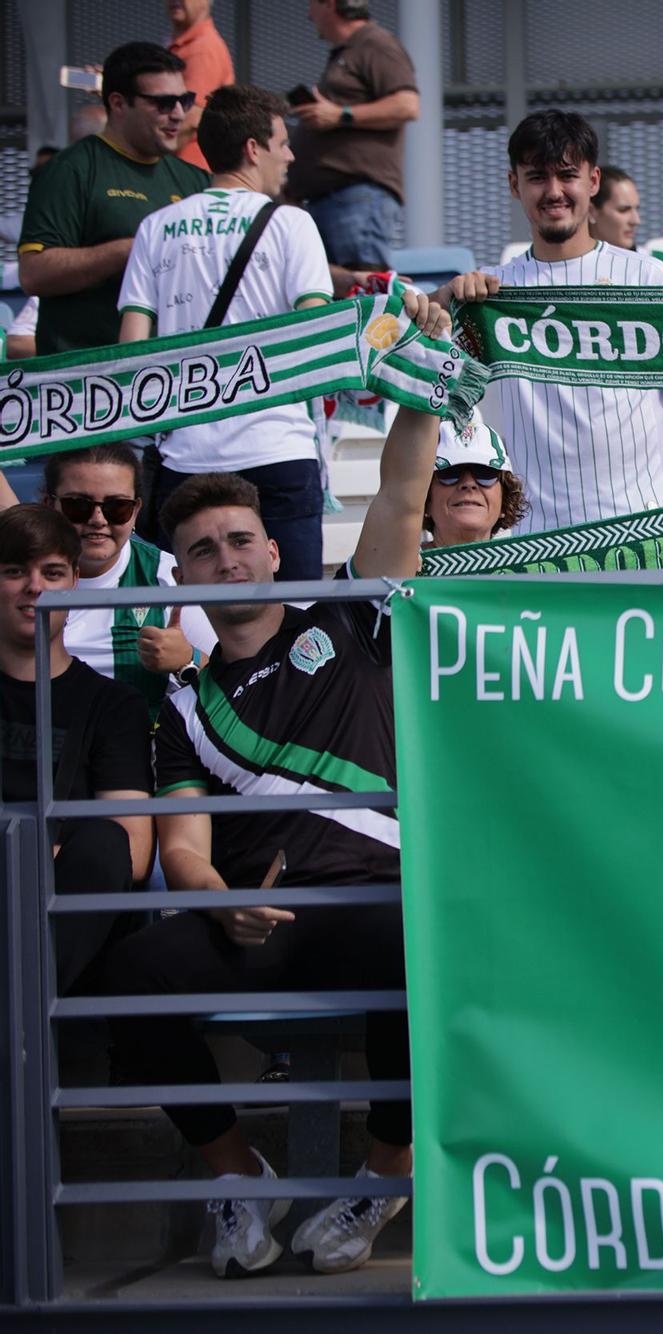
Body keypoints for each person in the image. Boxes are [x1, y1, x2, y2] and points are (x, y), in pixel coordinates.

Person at [90, 288, 455, 1279]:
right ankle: (234, 1174)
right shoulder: (179, 708)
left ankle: (381, 1174)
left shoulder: (346, 623)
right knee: (130, 978)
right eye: (203, 548)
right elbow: (184, 850)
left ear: (275, 547)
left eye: (240, 538)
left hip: (367, 893)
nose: (225, 556)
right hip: (258, 919)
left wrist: (419, 379)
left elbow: (401, 495)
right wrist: (223, 904)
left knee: (424, 941)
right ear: (183, 574)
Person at [439, 110, 663, 534]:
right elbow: (420, 368)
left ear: (593, 181)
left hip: (647, 534)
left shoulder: (649, 278)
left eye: (567, 175)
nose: (554, 191)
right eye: (537, 177)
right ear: (514, 185)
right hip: (536, 543)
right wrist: (447, 299)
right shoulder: (490, 292)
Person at [118, 84, 336, 581]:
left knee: (190, 620)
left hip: (186, 456)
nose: (290, 154)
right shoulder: (292, 224)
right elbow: (317, 333)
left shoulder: (156, 226)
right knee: (298, 616)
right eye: (282, 142)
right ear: (252, 148)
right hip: (278, 446)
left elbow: (132, 350)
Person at [0, 504, 153, 996]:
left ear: (73, 586)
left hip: (66, 915)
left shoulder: (114, 705)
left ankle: (17, 1019)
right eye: (13, 572)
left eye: (52, 572)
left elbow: (131, 851)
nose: (33, 588)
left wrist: (27, 856)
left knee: (105, 843)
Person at [16, 43, 208, 356]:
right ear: (118, 103)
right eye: (163, 103)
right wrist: (131, 250)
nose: (178, 114)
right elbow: (33, 274)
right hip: (87, 385)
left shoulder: (194, 178)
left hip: (176, 381)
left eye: (184, 100)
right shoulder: (70, 170)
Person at [21, 444, 217, 720]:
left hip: (133, 755)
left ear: (136, 510)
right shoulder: (12, 577)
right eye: (78, 505)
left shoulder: (171, 577)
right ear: (48, 505)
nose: (97, 520)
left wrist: (189, 660)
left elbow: (236, 691)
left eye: (117, 507)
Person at [289, 0, 419, 284]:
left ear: (330, 4)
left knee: (366, 291)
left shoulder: (376, 44)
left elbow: (407, 105)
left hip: (355, 198)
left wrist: (340, 114)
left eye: (312, 4)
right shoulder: (349, 51)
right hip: (334, 201)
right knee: (337, 292)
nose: (309, 15)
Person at [424, 418, 526, 548]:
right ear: (425, 499)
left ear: (505, 500)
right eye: (450, 472)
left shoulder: (540, 566)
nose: (468, 483)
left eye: (485, 472)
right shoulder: (392, 565)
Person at [166, 0, 235, 171]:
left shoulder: (202, 48)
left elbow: (191, 118)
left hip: (189, 170)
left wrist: (142, 154)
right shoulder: (182, 44)